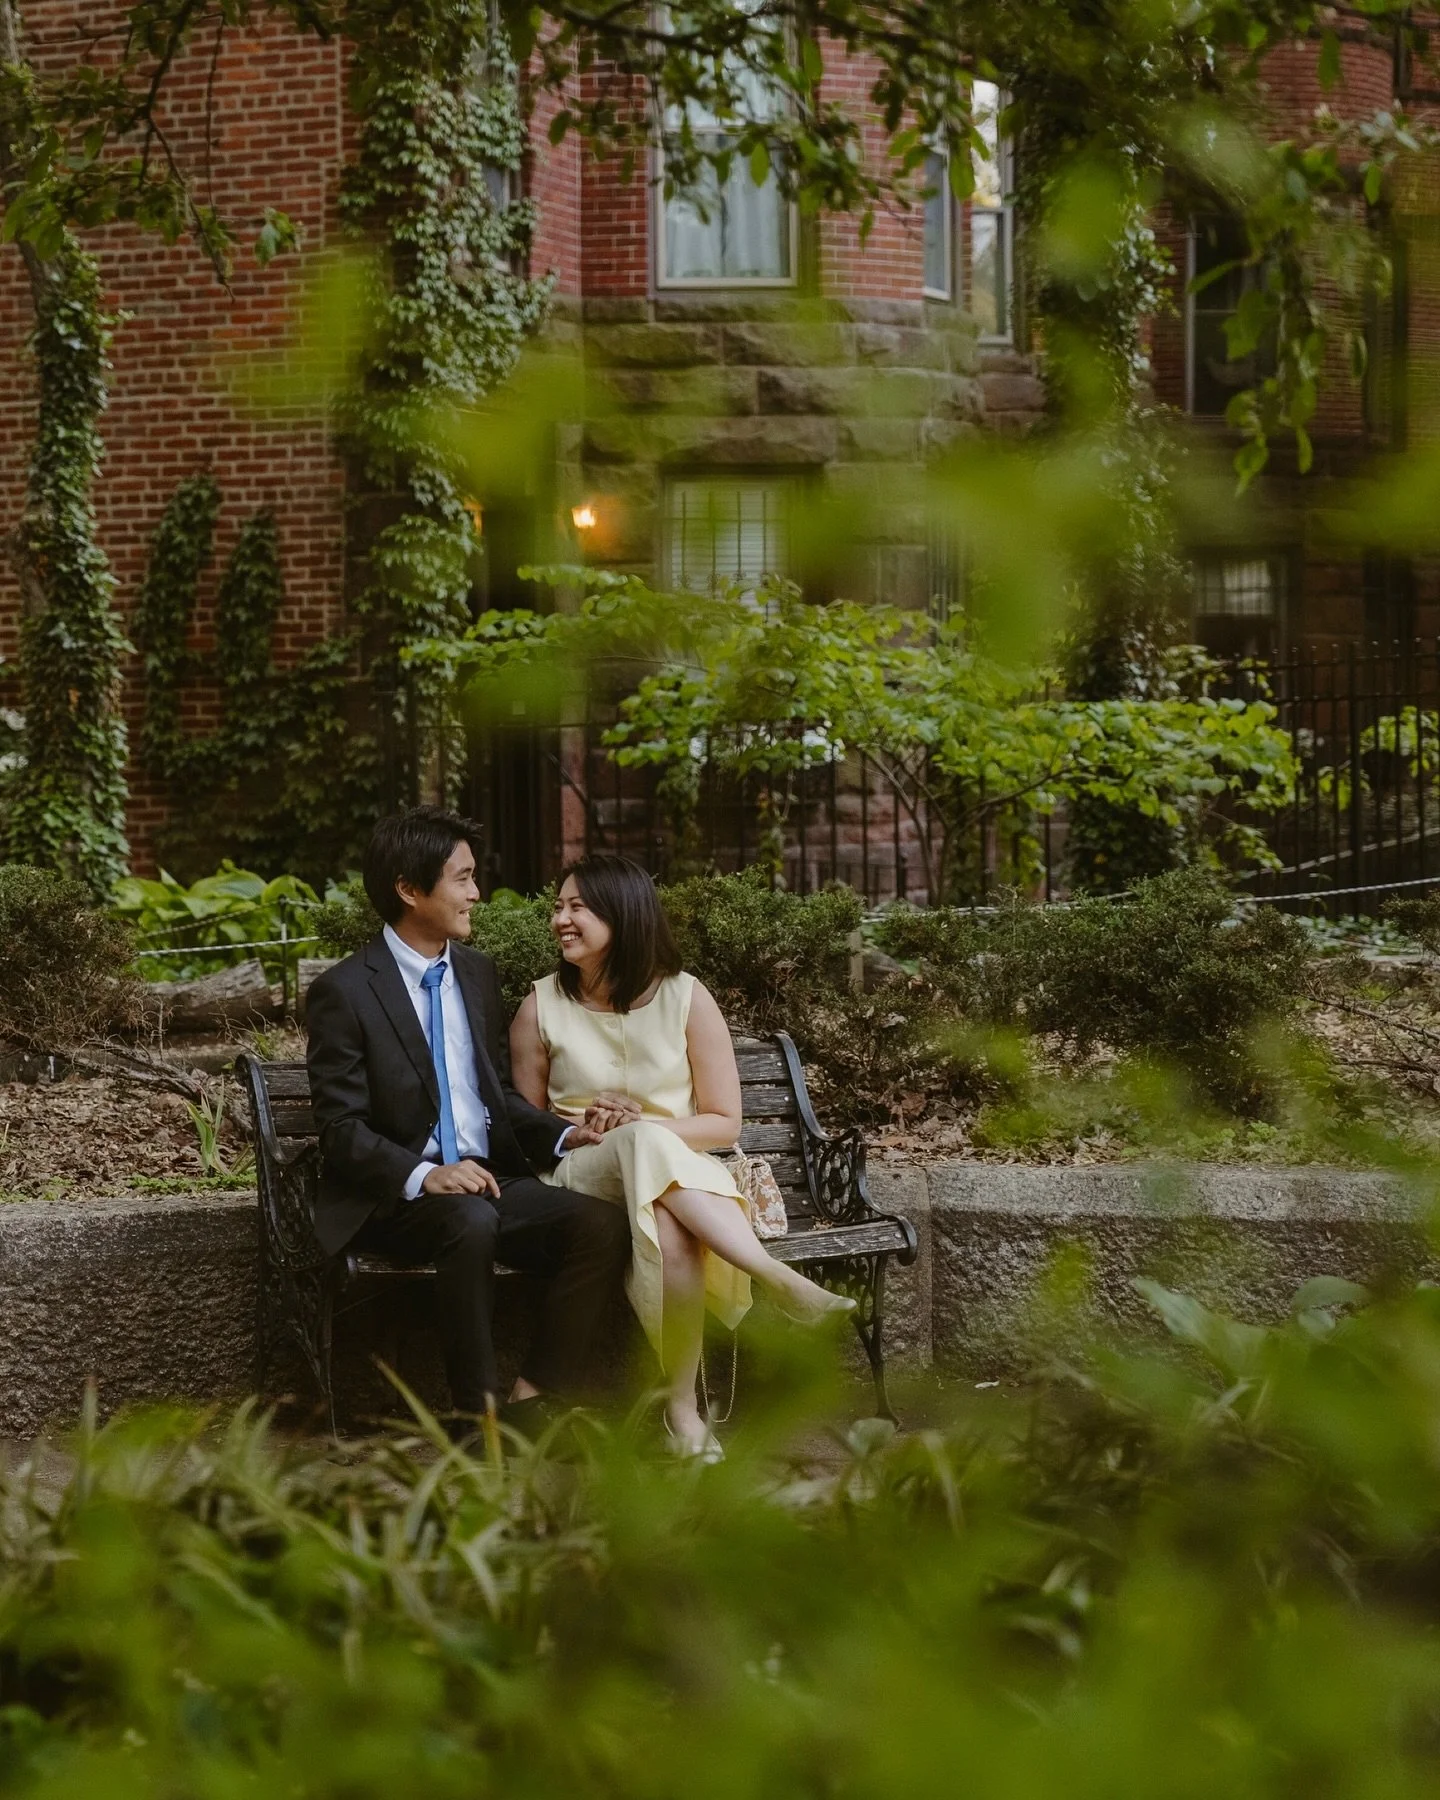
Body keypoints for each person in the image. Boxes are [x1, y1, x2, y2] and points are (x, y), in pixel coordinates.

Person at [509, 852, 854, 1460]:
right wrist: (591, 1128)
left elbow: (725, 1121)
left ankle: (681, 1415)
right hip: (582, 1174)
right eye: (558, 906)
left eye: (577, 907)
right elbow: (524, 1125)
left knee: (668, 1216)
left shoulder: (687, 999)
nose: (561, 918)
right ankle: (774, 1281)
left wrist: (644, 1125)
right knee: (638, 1144)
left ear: (623, 915)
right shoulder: (539, 1006)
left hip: (677, 1179)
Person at [305, 808, 631, 1434]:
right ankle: (474, 1420)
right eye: (463, 878)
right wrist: (425, 1175)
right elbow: (341, 1130)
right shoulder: (344, 992)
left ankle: (533, 1404)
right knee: (469, 1218)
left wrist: (566, 1134)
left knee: (599, 1226)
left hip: (486, 1181)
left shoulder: (476, 974)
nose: (476, 893)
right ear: (408, 889)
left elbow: (496, 1097)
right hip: (396, 1197)